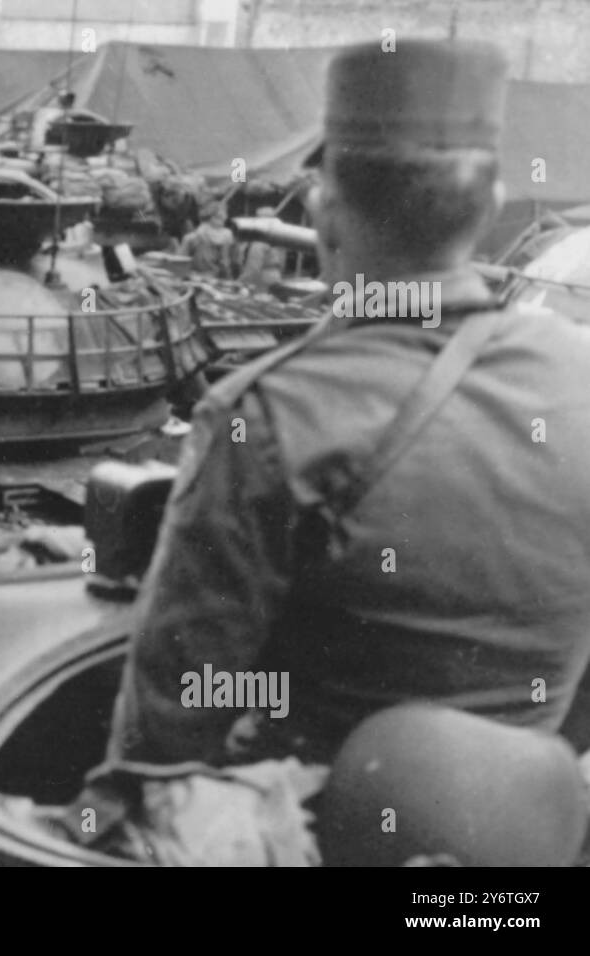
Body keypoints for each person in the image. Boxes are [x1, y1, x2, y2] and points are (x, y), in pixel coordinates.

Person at [105, 38, 590, 773]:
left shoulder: (267, 414)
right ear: (489, 207)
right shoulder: (576, 375)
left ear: (326, 215)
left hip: (308, 816)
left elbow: (171, 725)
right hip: (528, 820)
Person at [176, 202, 235, 279]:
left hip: (215, 279)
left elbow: (226, 265)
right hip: (194, 278)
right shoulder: (191, 239)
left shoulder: (227, 238)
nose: (223, 219)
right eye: (218, 217)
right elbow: (179, 265)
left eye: (224, 217)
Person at [236, 205, 288, 289]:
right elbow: (282, 263)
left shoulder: (259, 241)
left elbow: (254, 267)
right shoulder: (280, 239)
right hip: (276, 277)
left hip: (262, 279)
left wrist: (240, 281)